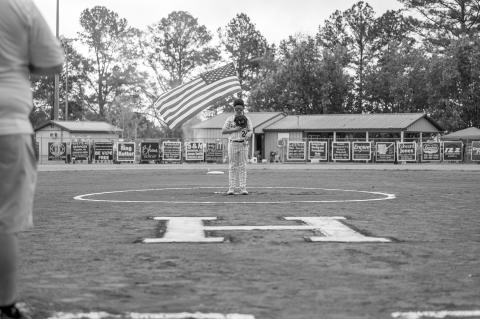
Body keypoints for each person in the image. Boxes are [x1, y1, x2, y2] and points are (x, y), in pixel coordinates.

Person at [0, 0, 64, 318]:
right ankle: (5, 304)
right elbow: (53, 62)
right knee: (3, 223)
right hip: (7, 124)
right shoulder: (19, 5)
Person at [222, 98, 253, 195]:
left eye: (240, 109)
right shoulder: (230, 119)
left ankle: (243, 188)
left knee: (242, 166)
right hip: (232, 143)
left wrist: (249, 135)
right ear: (234, 108)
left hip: (243, 144)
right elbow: (224, 131)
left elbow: (250, 130)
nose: (239, 111)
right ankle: (231, 188)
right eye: (237, 109)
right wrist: (235, 129)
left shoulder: (247, 119)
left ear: (243, 108)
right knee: (232, 166)